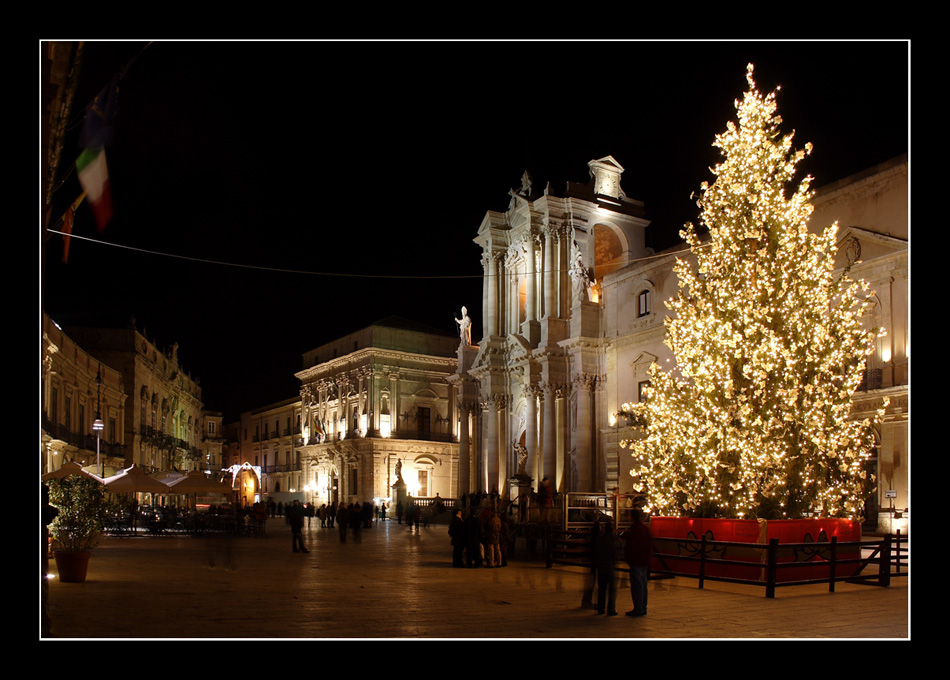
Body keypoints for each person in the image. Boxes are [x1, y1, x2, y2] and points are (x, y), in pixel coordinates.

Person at [623, 509, 653, 617]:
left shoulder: (636, 530)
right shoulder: (645, 529)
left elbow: (633, 546)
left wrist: (630, 557)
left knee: (637, 585)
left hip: (637, 560)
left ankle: (638, 607)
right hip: (644, 560)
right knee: (643, 583)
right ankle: (643, 606)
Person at [595, 520, 621, 615]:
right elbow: (620, 550)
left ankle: (601, 607)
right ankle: (611, 609)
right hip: (612, 566)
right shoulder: (616, 539)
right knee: (612, 589)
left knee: (602, 588)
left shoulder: (600, 539)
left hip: (602, 566)